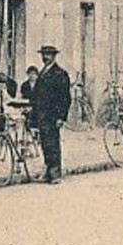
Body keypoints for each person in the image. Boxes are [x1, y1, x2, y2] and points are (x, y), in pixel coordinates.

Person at [32, 44, 73, 184]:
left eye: (48, 54)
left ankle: (55, 174)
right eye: (43, 54)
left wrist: (61, 117)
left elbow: (65, 98)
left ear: (54, 56)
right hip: (41, 114)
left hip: (53, 115)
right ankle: (48, 171)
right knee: (45, 144)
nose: (45, 57)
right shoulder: (43, 72)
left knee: (53, 143)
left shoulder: (60, 73)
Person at [18, 65, 41, 131]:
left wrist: (32, 107)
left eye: (34, 74)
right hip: (27, 106)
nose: (32, 75)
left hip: (37, 107)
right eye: (30, 73)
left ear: (37, 75)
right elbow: (23, 97)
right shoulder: (24, 85)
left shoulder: (40, 84)